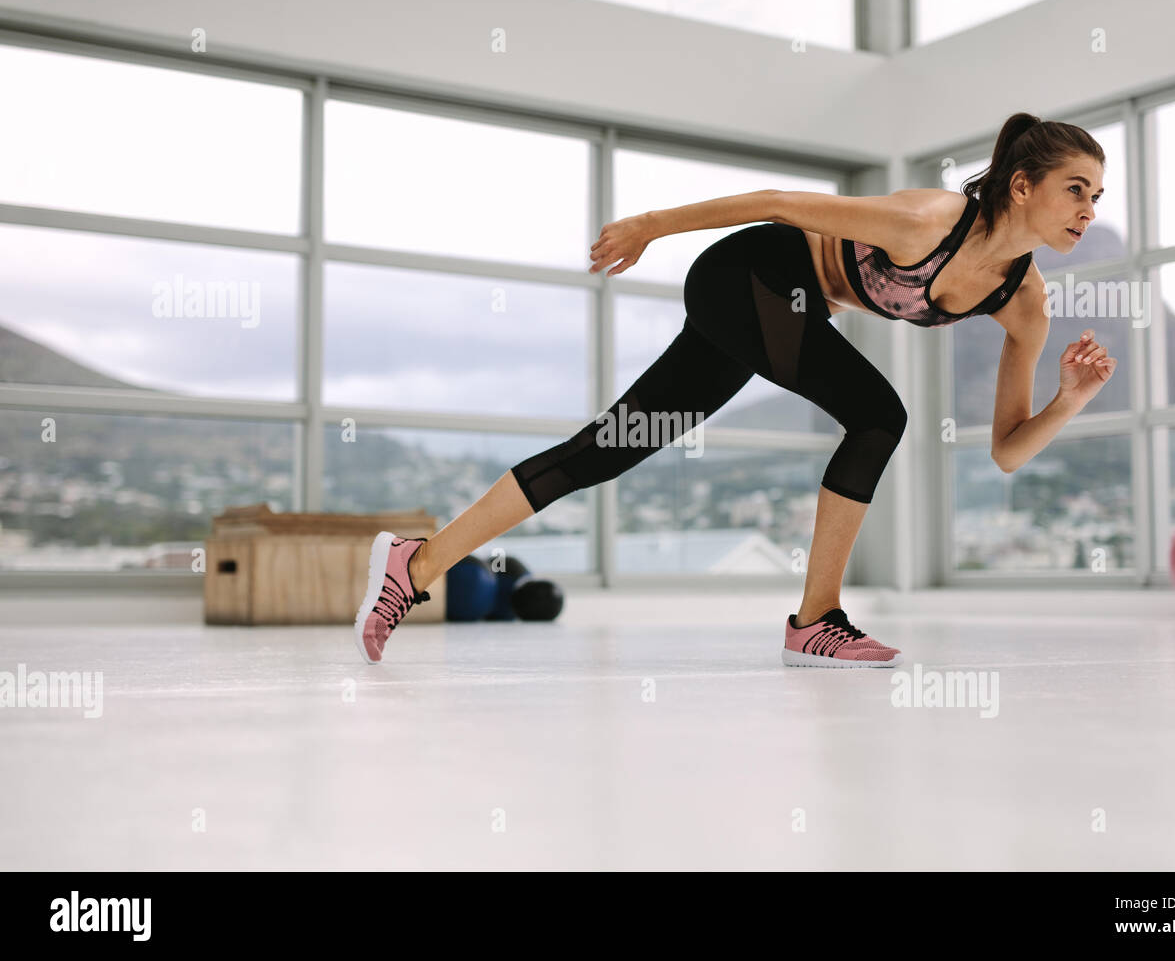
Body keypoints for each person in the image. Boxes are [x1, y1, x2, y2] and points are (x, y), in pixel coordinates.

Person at [354, 111, 1116, 667]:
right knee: (878, 414)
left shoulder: (1026, 305)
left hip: (776, 310)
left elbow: (1009, 452)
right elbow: (779, 204)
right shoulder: (927, 220)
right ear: (1022, 187)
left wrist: (1069, 401)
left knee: (607, 450)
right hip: (748, 272)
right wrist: (651, 224)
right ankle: (815, 619)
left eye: (1097, 197)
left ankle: (413, 566)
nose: (1088, 209)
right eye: (1075, 189)